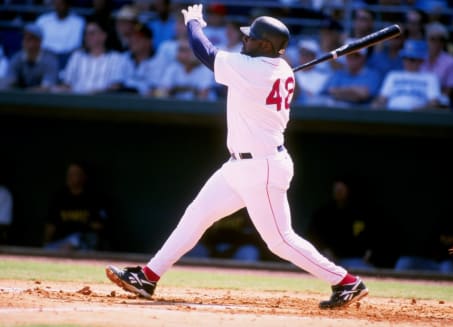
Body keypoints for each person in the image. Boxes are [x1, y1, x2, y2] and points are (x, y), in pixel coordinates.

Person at [105, 4, 368, 310]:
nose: (245, 41)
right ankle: (148, 276)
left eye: (251, 38)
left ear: (266, 45)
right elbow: (251, 68)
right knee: (195, 216)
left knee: (280, 240)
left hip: (263, 167)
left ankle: (346, 282)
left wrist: (193, 23)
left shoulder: (255, 68)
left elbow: (203, 52)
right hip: (239, 166)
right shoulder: (277, 68)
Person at [307, 177, 376, 271]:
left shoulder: (360, 212)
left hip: (352, 259)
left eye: (342, 189)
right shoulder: (324, 213)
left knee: (369, 271)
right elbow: (312, 235)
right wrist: (324, 248)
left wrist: (369, 251)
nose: (339, 192)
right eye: (337, 189)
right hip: (327, 259)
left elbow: (370, 236)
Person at [43, 161, 110, 251]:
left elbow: (98, 227)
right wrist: (46, 241)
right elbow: (50, 226)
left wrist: (79, 227)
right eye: (69, 174)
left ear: (84, 177)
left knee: (75, 240)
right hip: (61, 241)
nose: (70, 177)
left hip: (84, 242)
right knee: (48, 250)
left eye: (75, 174)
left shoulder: (94, 198)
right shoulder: (59, 197)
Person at [55, 19, 126, 94]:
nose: (87, 37)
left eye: (92, 33)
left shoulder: (116, 58)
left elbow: (115, 86)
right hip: (76, 101)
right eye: (86, 33)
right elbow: (67, 84)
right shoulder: (77, 56)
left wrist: (94, 93)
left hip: (102, 102)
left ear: (103, 36)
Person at [372, 39, 442, 111]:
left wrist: (417, 110)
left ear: (421, 60)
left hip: (418, 117)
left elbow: (434, 103)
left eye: (412, 59)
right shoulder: (393, 75)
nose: (407, 62)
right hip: (392, 115)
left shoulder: (430, 78)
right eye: (405, 58)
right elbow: (382, 98)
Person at [0, 23, 59, 91]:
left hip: (45, 100)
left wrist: (23, 93)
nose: (26, 42)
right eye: (24, 38)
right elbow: (8, 82)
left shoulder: (50, 59)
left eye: (30, 39)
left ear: (39, 41)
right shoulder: (17, 58)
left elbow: (47, 88)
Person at [35, 0, 86, 69]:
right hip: (46, 57)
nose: (59, 6)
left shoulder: (79, 22)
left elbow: (77, 45)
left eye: (62, 3)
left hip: (69, 58)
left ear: (68, 5)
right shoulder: (43, 20)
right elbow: (37, 42)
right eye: (57, 3)